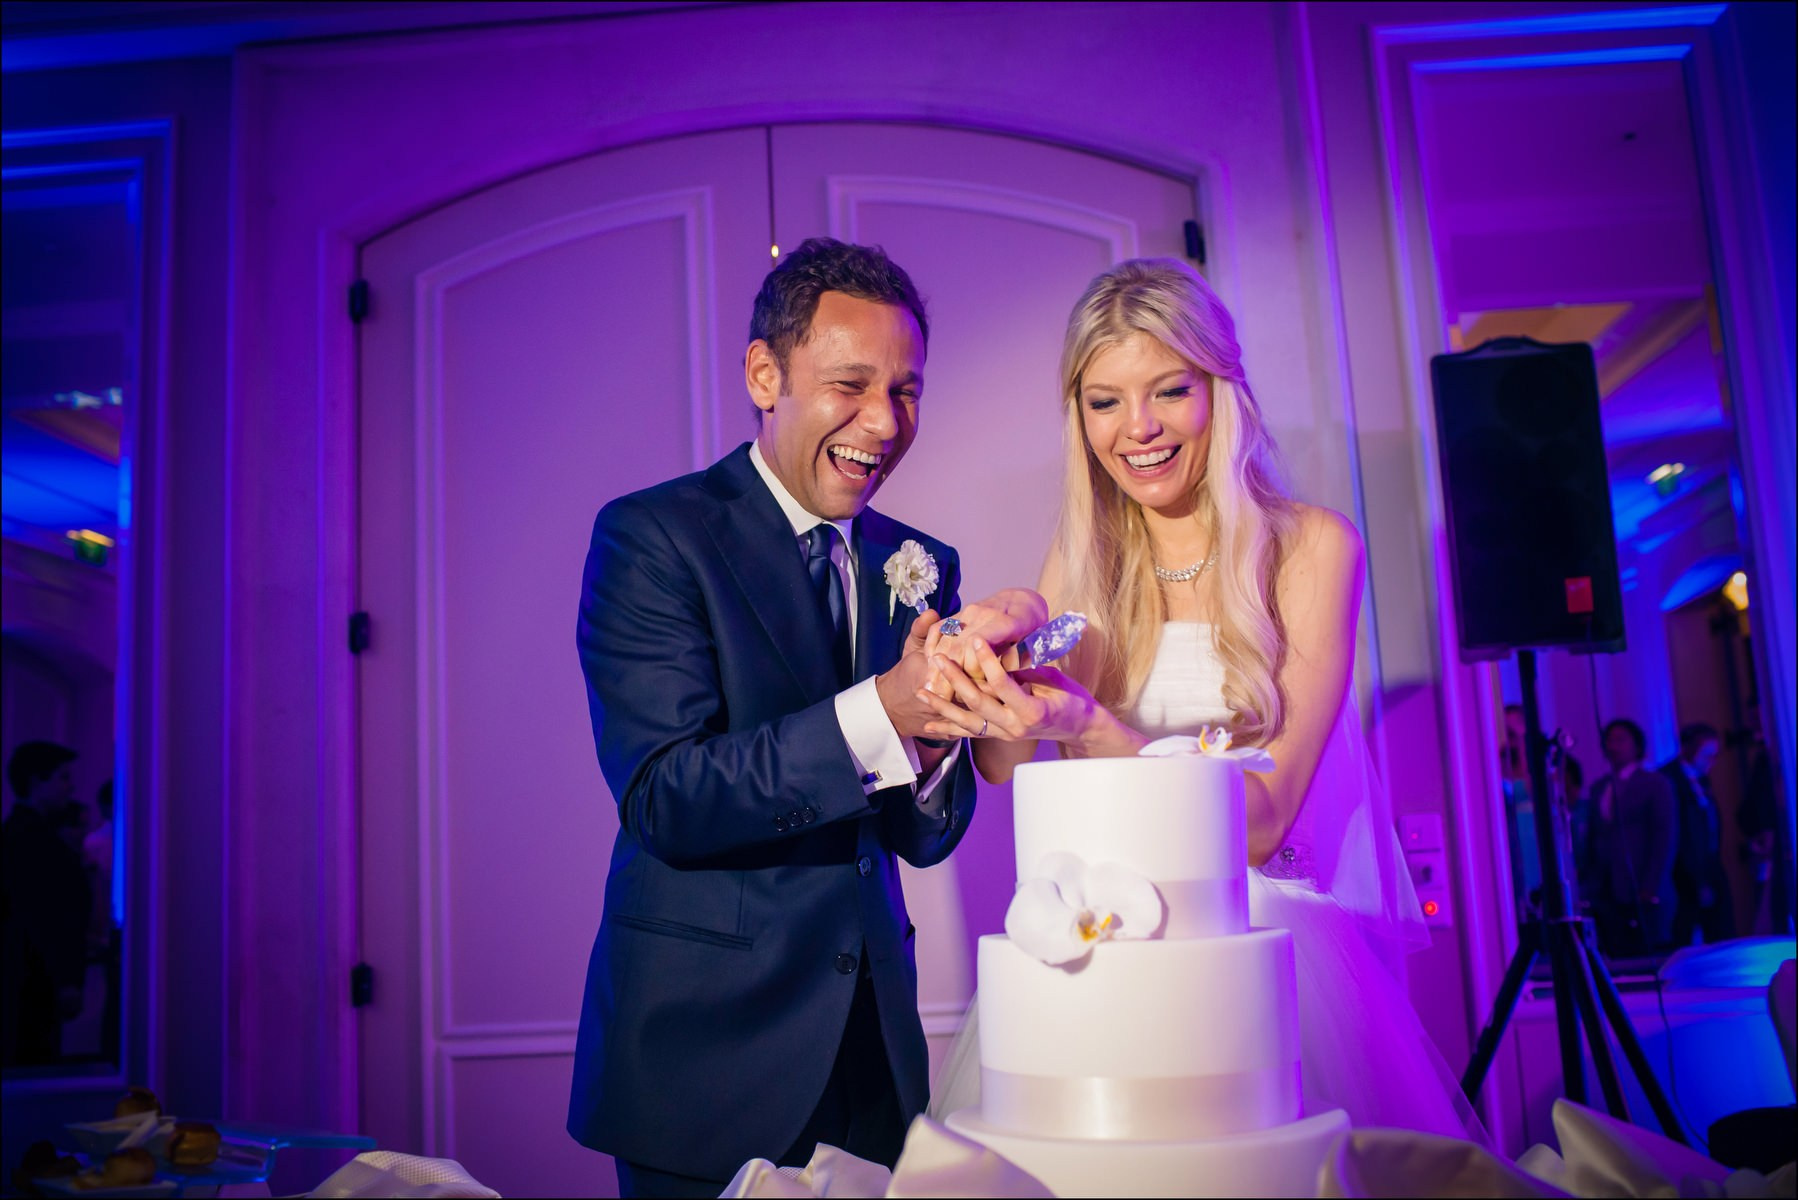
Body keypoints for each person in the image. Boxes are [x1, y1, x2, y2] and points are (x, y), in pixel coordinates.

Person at [915, 257, 1480, 1140]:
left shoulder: (1313, 550)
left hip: (1260, 949)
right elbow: (1001, 764)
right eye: (1105, 401)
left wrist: (1084, 721)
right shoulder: (1083, 561)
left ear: (1222, 389)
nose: (1137, 428)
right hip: (1109, 955)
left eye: (1170, 391)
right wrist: (989, 650)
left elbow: (1261, 825)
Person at [567, 238, 984, 1198]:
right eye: (851, 385)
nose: (885, 422)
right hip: (707, 1057)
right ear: (766, 375)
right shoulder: (653, 536)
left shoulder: (921, 561)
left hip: (873, 1054)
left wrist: (932, 740)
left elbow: (922, 837)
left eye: (907, 391)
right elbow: (666, 796)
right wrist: (884, 710)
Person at [2, 740, 93, 1066]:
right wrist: (66, 978)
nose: (70, 787)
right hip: (33, 982)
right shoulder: (32, 841)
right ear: (35, 782)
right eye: (62, 777)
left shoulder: (26, 835)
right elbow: (43, 918)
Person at [1584, 718, 1676, 957]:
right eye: (1609, 740)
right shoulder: (1600, 787)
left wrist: (1651, 884)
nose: (1613, 746)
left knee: (1645, 951)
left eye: (1621, 740)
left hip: (1639, 880)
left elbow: (1663, 836)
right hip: (1606, 886)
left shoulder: (1654, 783)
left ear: (1637, 745)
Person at [1661, 722, 1736, 947]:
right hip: (1683, 869)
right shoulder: (1668, 779)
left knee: (1721, 928)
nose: (1711, 762)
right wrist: (1696, 877)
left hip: (1710, 861)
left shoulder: (1701, 779)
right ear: (1687, 748)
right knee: (1684, 929)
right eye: (1706, 755)